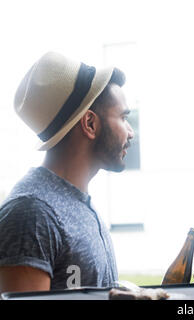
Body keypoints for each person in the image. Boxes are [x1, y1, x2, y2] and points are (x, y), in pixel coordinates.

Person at [0, 52, 134, 292]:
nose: (131, 132)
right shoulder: (31, 213)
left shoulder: (79, 204)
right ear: (90, 124)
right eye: (124, 117)